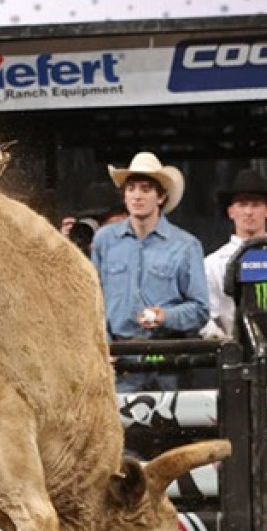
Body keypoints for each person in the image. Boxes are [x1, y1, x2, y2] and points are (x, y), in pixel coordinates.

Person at [90, 151, 209, 391]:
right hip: (119, 361)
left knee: (176, 425)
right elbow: (93, 301)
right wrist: (103, 346)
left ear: (161, 197)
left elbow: (201, 309)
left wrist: (166, 316)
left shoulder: (186, 246)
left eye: (145, 189)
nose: (136, 196)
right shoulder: (104, 240)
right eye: (131, 188)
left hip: (169, 361)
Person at [201, 168, 267, 341]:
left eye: (256, 205)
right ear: (231, 212)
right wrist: (223, 344)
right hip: (234, 354)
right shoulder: (212, 264)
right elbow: (206, 315)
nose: (249, 212)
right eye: (242, 204)